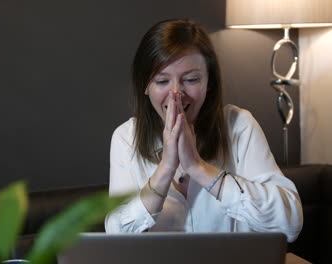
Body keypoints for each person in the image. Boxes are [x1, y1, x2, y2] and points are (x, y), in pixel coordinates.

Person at [104, 19, 303, 242]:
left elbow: (290, 223)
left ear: (209, 82)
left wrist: (198, 167)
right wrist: (166, 168)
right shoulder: (125, 138)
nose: (176, 94)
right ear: (145, 87)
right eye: (162, 81)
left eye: (191, 79)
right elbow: (117, 236)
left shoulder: (239, 125)